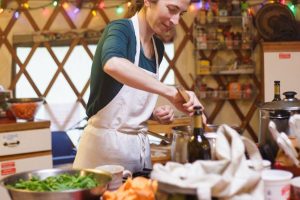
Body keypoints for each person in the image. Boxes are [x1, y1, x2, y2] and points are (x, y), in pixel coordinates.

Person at [73, 0, 205, 173]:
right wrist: (170, 91)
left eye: (181, 13)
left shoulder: (158, 47)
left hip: (139, 154)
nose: (176, 21)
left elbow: (128, 95)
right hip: (103, 154)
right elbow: (113, 64)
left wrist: (152, 114)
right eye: (172, 9)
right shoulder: (120, 29)